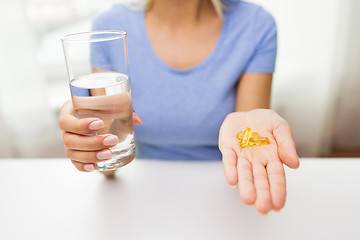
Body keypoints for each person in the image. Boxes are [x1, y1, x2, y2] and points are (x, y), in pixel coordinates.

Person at [58, 0, 300, 215]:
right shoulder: (110, 27)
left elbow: (248, 151)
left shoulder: (255, 25)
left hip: (227, 192)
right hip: (144, 197)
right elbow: (109, 158)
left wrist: (252, 131)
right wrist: (89, 138)